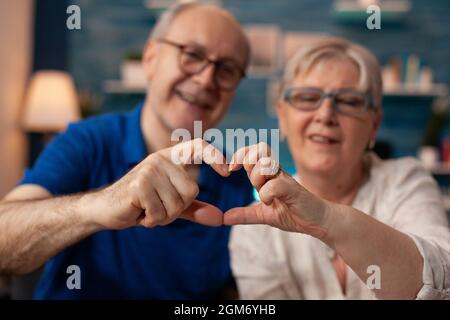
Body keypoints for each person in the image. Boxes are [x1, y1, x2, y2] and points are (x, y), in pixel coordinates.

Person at [0, 3, 254, 299]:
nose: (206, 79)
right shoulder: (88, 141)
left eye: (226, 70)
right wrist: (101, 204)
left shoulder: (234, 181)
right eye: (192, 55)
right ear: (150, 58)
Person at [226, 37, 450, 300]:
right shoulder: (256, 227)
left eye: (349, 101)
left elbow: (443, 281)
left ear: (373, 125)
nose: (325, 114)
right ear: (283, 118)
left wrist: (327, 219)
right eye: (307, 97)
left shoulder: (404, 180)